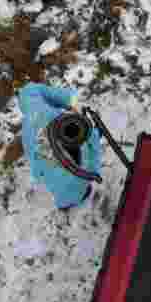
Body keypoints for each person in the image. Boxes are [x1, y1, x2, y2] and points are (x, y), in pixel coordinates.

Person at [17, 82, 104, 211]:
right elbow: (92, 149)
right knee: (80, 176)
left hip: (58, 190)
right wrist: (73, 102)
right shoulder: (50, 112)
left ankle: (66, 200)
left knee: (60, 183)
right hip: (77, 180)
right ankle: (79, 194)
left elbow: (36, 172)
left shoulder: (25, 134)